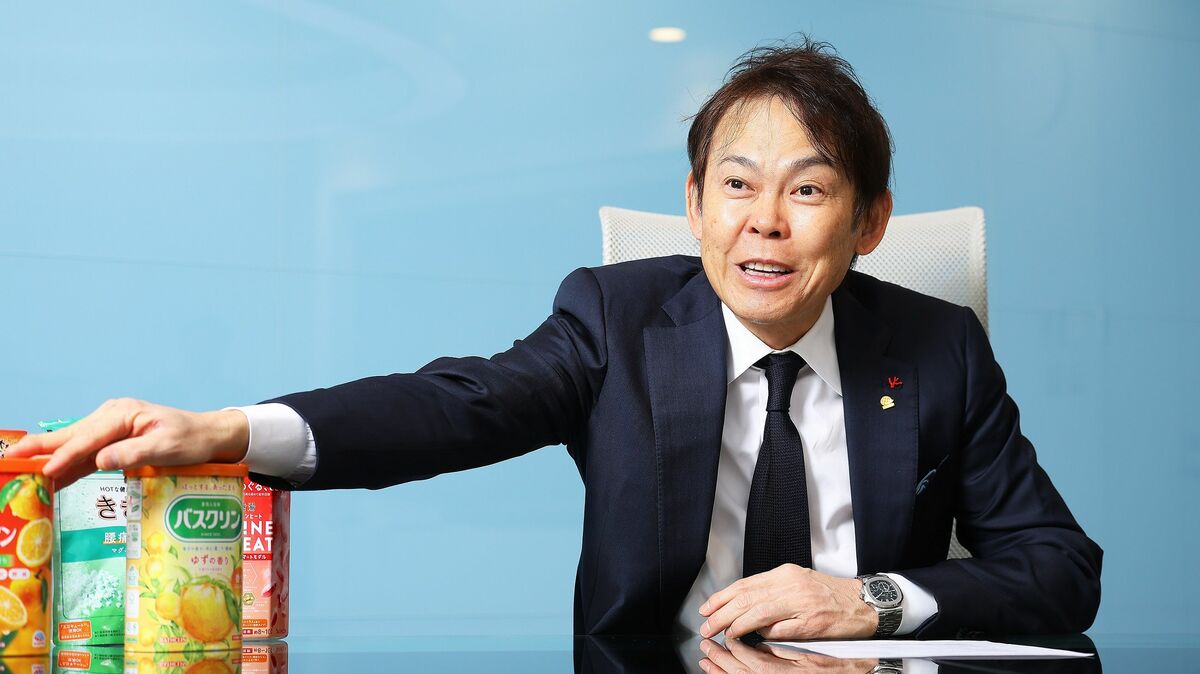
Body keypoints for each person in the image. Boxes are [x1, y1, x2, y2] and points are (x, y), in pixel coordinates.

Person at [10, 38, 1102, 643]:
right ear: (693, 205)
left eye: (807, 191)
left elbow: (1060, 568)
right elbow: (456, 404)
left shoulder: (939, 347)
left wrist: (868, 597)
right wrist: (226, 429)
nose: (764, 222)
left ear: (870, 223)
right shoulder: (617, 322)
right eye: (736, 185)